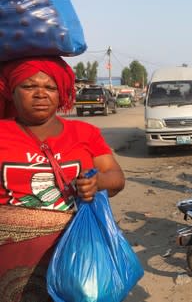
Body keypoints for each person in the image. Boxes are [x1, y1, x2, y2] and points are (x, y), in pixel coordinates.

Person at [0, 56, 125, 301]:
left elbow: (116, 177)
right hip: (8, 262)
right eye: (29, 86)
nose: (40, 94)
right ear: (12, 91)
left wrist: (98, 182)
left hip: (76, 257)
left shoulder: (85, 133)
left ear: (61, 93)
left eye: (50, 87)